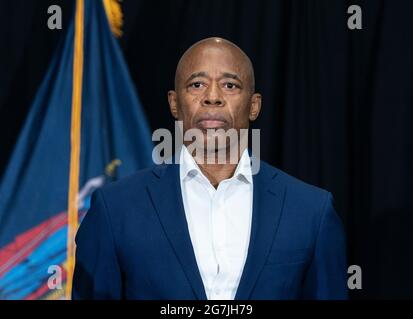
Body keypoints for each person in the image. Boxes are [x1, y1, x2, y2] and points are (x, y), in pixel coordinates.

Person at [72, 37, 347, 300]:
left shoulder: (311, 211)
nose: (212, 97)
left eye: (229, 85)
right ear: (174, 103)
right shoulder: (115, 208)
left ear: (254, 106)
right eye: (197, 85)